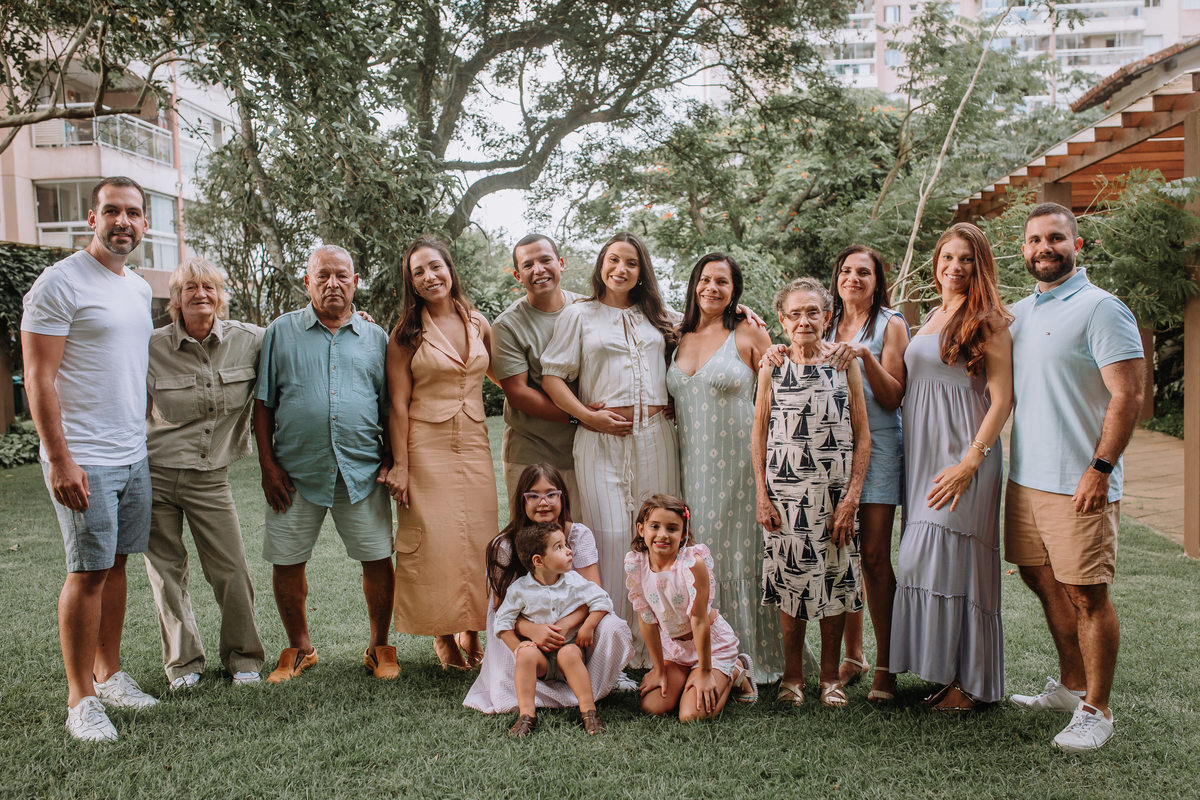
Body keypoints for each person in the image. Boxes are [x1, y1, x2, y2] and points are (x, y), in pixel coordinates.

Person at [21, 176, 159, 742]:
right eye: (112, 211)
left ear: (144, 222)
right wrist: (59, 460)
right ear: (92, 218)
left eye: (133, 212)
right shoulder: (59, 282)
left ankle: (109, 673)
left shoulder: (139, 288)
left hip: (131, 452)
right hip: (84, 457)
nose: (122, 221)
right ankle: (80, 698)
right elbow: (38, 376)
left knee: (117, 564)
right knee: (87, 571)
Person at [1005, 203, 1144, 751]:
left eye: (1057, 238)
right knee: (1040, 579)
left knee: (1087, 594)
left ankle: (1097, 709)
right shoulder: (1020, 313)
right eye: (1036, 239)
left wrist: (1100, 468)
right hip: (1025, 480)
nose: (1046, 248)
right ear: (1023, 249)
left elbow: (1128, 394)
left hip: (1079, 481)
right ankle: (1070, 686)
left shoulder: (1101, 309)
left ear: (1076, 245)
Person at [254, 245, 398, 682]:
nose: (333, 284)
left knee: (377, 557)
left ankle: (379, 646)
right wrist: (267, 465)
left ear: (355, 282)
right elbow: (263, 403)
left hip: (362, 470)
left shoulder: (376, 337)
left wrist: (391, 457)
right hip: (296, 472)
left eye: (341, 275)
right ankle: (300, 648)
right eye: (323, 276)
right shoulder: (280, 332)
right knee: (287, 559)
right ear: (307, 282)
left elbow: (388, 405)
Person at [540, 232, 682, 662]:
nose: (621, 269)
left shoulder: (659, 316)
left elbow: (708, 320)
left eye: (631, 263)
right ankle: (613, 646)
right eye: (613, 260)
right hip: (599, 440)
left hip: (656, 436)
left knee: (655, 537)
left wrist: (743, 313)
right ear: (601, 264)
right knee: (612, 536)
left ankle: (658, 643)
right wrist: (586, 415)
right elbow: (552, 378)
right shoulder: (579, 314)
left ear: (642, 272)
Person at [889, 222, 1013, 712]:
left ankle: (971, 683)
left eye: (965, 259)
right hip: (924, 455)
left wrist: (970, 462)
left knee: (947, 558)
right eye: (947, 257)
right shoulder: (933, 315)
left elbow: (1002, 399)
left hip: (966, 455)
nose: (954, 267)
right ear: (936, 262)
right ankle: (953, 674)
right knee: (924, 558)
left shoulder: (988, 320)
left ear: (979, 265)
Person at [145, 258, 265, 689]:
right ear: (175, 299)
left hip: (210, 477)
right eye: (190, 288)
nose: (201, 294)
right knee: (166, 574)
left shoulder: (250, 340)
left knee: (231, 570)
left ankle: (244, 658)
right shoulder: (149, 345)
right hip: (155, 474)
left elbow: (301, 336)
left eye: (209, 287)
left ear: (220, 296)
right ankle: (183, 664)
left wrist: (355, 318)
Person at [752, 277, 870, 708]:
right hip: (785, 495)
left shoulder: (844, 363)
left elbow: (863, 436)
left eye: (813, 312)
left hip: (835, 493)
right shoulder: (772, 366)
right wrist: (762, 496)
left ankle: (830, 678)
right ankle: (792, 677)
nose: (804, 321)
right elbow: (758, 435)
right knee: (791, 581)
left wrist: (852, 498)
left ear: (827, 317)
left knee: (835, 580)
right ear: (782, 321)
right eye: (795, 314)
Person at [667, 252, 784, 683]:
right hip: (689, 466)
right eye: (705, 279)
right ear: (694, 284)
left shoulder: (748, 331)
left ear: (735, 290)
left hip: (739, 465)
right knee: (701, 554)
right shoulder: (676, 335)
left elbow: (782, 395)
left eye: (722, 281)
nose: (712, 288)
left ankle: (751, 655)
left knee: (735, 553)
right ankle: (707, 652)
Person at [386, 236, 498, 670]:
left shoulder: (478, 322)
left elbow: (502, 377)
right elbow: (397, 404)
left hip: (474, 443)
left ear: (450, 269)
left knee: (478, 538)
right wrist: (400, 465)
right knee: (436, 540)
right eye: (419, 272)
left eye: (435, 267)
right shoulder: (406, 335)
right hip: (426, 446)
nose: (430, 276)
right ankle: (443, 634)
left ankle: (473, 628)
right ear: (411, 283)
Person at [465, 463, 633, 713]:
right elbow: (501, 610)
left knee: (612, 625)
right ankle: (530, 693)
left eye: (551, 494)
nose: (543, 502)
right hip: (521, 625)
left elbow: (594, 595)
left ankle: (596, 683)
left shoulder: (578, 535)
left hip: (574, 628)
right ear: (522, 501)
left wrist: (565, 625)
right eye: (533, 495)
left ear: (562, 497)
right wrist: (532, 630)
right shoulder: (505, 545)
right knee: (506, 641)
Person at [824, 246, 909, 702]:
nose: (853, 278)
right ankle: (852, 656)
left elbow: (894, 396)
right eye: (846, 271)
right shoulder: (826, 322)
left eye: (864, 272)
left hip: (878, 448)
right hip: (830, 452)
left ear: (877, 281)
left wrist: (864, 356)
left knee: (874, 556)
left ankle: (886, 666)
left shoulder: (890, 324)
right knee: (842, 554)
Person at [624, 494, 756, 721]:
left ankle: (735, 670)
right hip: (677, 649)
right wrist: (659, 669)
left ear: (683, 533)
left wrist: (704, 672)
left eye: (672, 528)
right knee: (652, 706)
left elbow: (699, 620)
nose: (663, 534)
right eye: (655, 526)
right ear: (641, 529)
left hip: (711, 646)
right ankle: (686, 676)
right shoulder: (637, 564)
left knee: (691, 715)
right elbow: (646, 619)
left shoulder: (692, 564)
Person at [491, 235, 588, 501]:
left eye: (545, 260)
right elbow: (518, 394)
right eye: (528, 265)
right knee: (535, 528)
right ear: (517, 276)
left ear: (561, 263)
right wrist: (580, 416)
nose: (538, 270)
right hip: (531, 453)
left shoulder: (588, 309)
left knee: (585, 527)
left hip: (587, 450)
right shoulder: (507, 325)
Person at [495, 521, 613, 738]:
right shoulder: (520, 590)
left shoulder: (574, 581)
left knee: (568, 653)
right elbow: (502, 621)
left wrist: (589, 625)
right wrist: (518, 647)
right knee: (526, 654)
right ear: (538, 561)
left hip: (570, 650)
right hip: (540, 657)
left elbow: (602, 599)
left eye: (566, 544)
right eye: (559, 547)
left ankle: (589, 712)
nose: (568, 551)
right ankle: (526, 715)